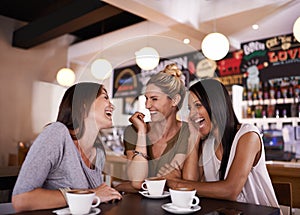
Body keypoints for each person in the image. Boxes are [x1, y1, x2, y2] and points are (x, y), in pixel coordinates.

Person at [167, 79, 279, 207]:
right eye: (189, 108)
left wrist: (177, 184)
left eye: (198, 105)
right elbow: (191, 182)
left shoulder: (248, 135)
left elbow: (230, 191)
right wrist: (193, 137)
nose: (192, 114)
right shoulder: (207, 143)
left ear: (216, 105)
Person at [12, 82, 122, 212]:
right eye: (105, 97)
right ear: (83, 104)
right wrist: (91, 194)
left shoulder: (97, 151)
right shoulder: (57, 133)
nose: (112, 106)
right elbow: (21, 200)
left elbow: (96, 200)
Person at [121, 63, 189, 191]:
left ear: (174, 100)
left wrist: (122, 186)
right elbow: (137, 182)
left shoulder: (187, 132)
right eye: (146, 98)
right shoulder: (133, 131)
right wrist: (142, 133)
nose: (147, 105)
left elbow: (181, 180)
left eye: (154, 99)